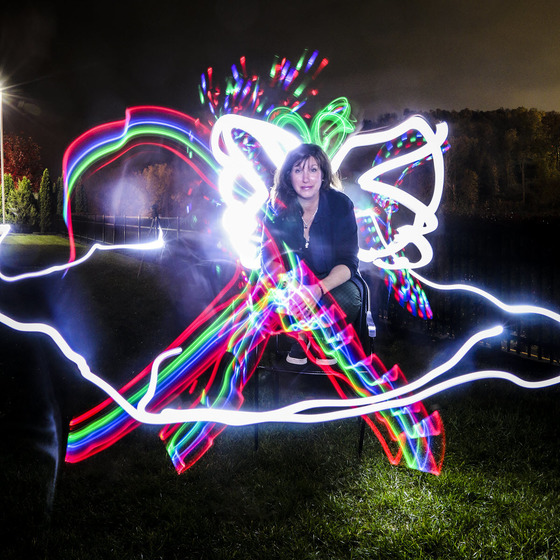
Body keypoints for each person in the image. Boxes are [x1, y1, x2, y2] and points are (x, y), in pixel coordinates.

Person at [262, 143, 362, 367]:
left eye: (313, 169)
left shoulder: (340, 205)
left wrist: (317, 289)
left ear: (323, 174)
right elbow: (269, 258)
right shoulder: (276, 208)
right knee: (272, 298)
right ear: (289, 175)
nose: (306, 178)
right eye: (298, 170)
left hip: (332, 281)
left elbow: (348, 262)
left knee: (348, 298)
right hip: (292, 280)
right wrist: (291, 286)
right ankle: (310, 336)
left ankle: (313, 337)